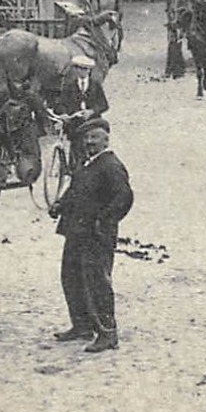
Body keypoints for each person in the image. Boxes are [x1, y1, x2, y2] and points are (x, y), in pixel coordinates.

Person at [49, 117, 134, 353]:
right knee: (71, 277)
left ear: (106, 139)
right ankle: (82, 325)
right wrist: (60, 205)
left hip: (96, 235)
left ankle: (108, 333)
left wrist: (103, 221)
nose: (89, 142)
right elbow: (74, 191)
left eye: (94, 137)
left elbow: (124, 198)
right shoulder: (87, 165)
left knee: (97, 282)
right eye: (87, 138)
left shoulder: (111, 165)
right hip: (76, 232)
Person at [47, 54, 109, 142]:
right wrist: (64, 114)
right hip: (75, 125)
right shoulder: (69, 86)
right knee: (76, 149)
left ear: (89, 70)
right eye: (80, 68)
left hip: (93, 123)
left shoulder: (95, 85)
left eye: (86, 69)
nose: (83, 71)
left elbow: (104, 105)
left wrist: (91, 111)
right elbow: (61, 104)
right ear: (76, 70)